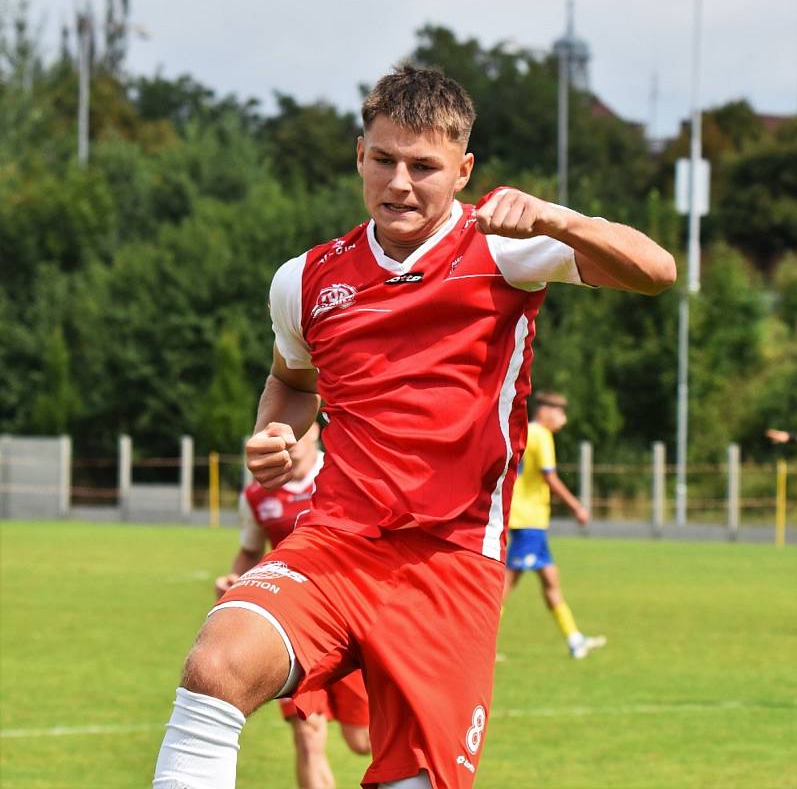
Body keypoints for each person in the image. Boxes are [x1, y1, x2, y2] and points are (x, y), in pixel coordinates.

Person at [153, 65, 676, 789]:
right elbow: (289, 382)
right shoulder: (303, 279)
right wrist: (274, 433)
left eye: (423, 166)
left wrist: (558, 218)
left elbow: (655, 270)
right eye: (383, 159)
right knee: (216, 665)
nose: (399, 183)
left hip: (452, 559)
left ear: (462, 171)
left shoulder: (505, 250)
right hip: (336, 542)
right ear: (358, 155)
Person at [214, 423, 370, 789]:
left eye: (297, 431)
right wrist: (233, 581)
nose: (290, 441)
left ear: (315, 428)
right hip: (291, 627)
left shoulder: (345, 475)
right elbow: (251, 551)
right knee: (308, 736)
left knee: (362, 741)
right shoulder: (256, 495)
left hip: (349, 623)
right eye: (281, 433)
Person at [503, 392, 606, 659]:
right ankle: (476, 644)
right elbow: (551, 478)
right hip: (529, 521)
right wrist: (576, 507)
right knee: (505, 586)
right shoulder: (542, 436)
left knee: (550, 580)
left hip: (528, 520)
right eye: (559, 413)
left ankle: (574, 640)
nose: (563, 420)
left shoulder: (527, 431)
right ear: (545, 411)